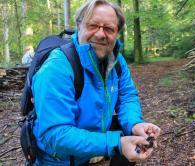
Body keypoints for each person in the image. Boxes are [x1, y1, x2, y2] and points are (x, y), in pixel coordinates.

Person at [32, 0, 161, 165]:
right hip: (59, 160)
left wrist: (135, 124)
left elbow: (126, 96)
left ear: (116, 33)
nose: (100, 34)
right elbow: (55, 135)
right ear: (79, 27)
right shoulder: (57, 68)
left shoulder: (117, 61)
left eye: (109, 28)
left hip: (94, 147)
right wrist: (115, 143)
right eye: (93, 26)